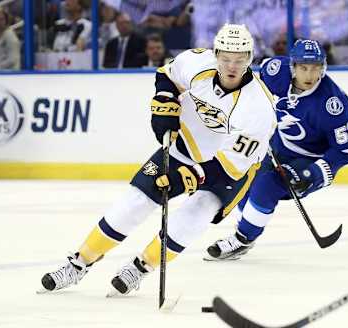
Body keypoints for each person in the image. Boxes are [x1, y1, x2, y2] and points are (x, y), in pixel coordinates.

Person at [39, 24, 276, 296]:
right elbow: (167, 76)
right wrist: (165, 105)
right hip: (183, 146)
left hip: (228, 171)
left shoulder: (259, 108)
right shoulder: (197, 62)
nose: (231, 66)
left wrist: (182, 178)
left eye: (239, 59)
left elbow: (227, 168)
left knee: (194, 215)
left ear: (250, 58)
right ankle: (78, 263)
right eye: (225, 58)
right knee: (133, 203)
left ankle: (140, 268)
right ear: (216, 53)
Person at [205, 39, 348, 260]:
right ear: (292, 67)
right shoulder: (275, 71)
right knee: (244, 181)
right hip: (277, 146)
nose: (309, 75)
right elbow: (254, 87)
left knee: (268, 185)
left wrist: (313, 173)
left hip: (308, 160)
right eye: (303, 68)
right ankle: (249, 223)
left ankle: (242, 239)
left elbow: (347, 151)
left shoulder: (333, 104)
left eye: (315, 68)